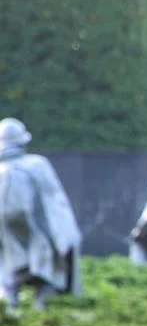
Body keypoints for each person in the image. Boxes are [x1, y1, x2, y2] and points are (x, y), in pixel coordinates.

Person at [0, 118, 82, 312]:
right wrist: (66, 235)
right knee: (47, 265)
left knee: (11, 268)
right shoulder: (37, 165)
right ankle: (39, 305)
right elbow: (55, 201)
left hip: (9, 236)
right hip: (36, 231)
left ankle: (12, 306)